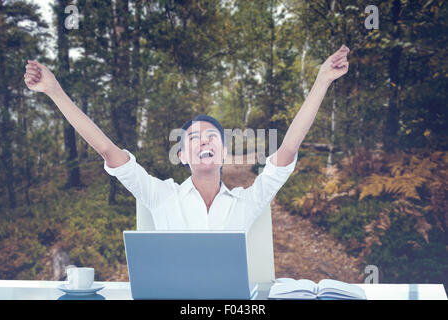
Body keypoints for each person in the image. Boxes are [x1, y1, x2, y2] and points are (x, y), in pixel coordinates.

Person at [24, 45, 350, 231]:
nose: (205, 141)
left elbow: (288, 148)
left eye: (212, 137)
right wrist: (54, 91)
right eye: (193, 138)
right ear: (181, 156)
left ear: (224, 152)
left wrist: (322, 81)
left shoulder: (248, 202)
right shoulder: (160, 196)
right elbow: (107, 150)